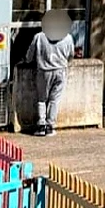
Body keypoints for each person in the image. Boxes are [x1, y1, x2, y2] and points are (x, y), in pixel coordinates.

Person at [25, 9, 75, 137]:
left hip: (44, 71)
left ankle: (41, 125)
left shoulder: (39, 37)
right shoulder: (68, 37)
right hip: (60, 70)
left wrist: (28, 61)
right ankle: (50, 125)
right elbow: (71, 56)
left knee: (42, 99)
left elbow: (29, 56)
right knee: (54, 100)